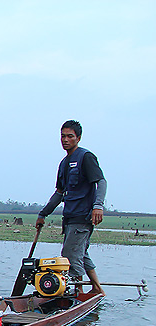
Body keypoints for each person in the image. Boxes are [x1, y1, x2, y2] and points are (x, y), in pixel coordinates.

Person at [36, 120, 107, 295]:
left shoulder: (86, 157)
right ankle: (97, 289)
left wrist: (98, 206)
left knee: (70, 256)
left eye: (70, 136)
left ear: (78, 138)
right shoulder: (63, 163)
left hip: (83, 217)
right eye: (63, 136)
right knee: (80, 254)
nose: (65, 140)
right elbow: (59, 193)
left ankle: (76, 295)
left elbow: (101, 182)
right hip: (69, 218)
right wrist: (43, 214)